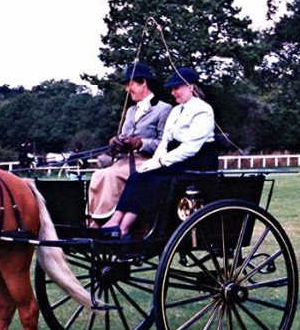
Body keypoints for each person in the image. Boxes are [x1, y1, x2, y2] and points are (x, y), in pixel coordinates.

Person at [100, 67, 217, 239]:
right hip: (178, 158)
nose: (173, 92)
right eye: (172, 88)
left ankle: (124, 228)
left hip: (197, 161)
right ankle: (115, 221)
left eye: (177, 88)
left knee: (149, 180)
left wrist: (162, 162)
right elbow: (165, 141)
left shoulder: (203, 110)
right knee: (138, 175)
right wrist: (153, 162)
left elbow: (190, 147)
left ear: (190, 87)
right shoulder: (177, 110)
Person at [88, 63, 171, 226]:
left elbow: (164, 143)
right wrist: (116, 142)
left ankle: (107, 221)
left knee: (111, 176)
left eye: (130, 84)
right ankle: (95, 219)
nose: (127, 89)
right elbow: (124, 135)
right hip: (124, 160)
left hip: (146, 161)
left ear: (143, 83)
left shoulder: (164, 109)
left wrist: (140, 143)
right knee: (98, 175)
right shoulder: (131, 110)